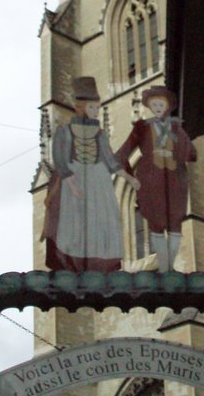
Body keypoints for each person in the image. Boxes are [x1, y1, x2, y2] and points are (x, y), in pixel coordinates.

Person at [42, 76, 139, 272]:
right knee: (73, 222)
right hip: (73, 177)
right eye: (93, 108)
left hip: (97, 180)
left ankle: (98, 264)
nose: (97, 112)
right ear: (81, 107)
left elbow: (110, 160)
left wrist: (129, 178)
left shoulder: (100, 134)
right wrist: (72, 184)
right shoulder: (65, 131)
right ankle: (73, 264)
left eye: (97, 107)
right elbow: (60, 160)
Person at [116, 86, 196, 272]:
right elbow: (120, 155)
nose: (159, 107)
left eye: (162, 104)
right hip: (151, 180)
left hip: (175, 180)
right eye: (155, 104)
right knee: (156, 226)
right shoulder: (141, 128)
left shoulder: (177, 128)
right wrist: (130, 177)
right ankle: (164, 267)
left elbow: (192, 153)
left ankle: (168, 267)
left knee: (176, 226)